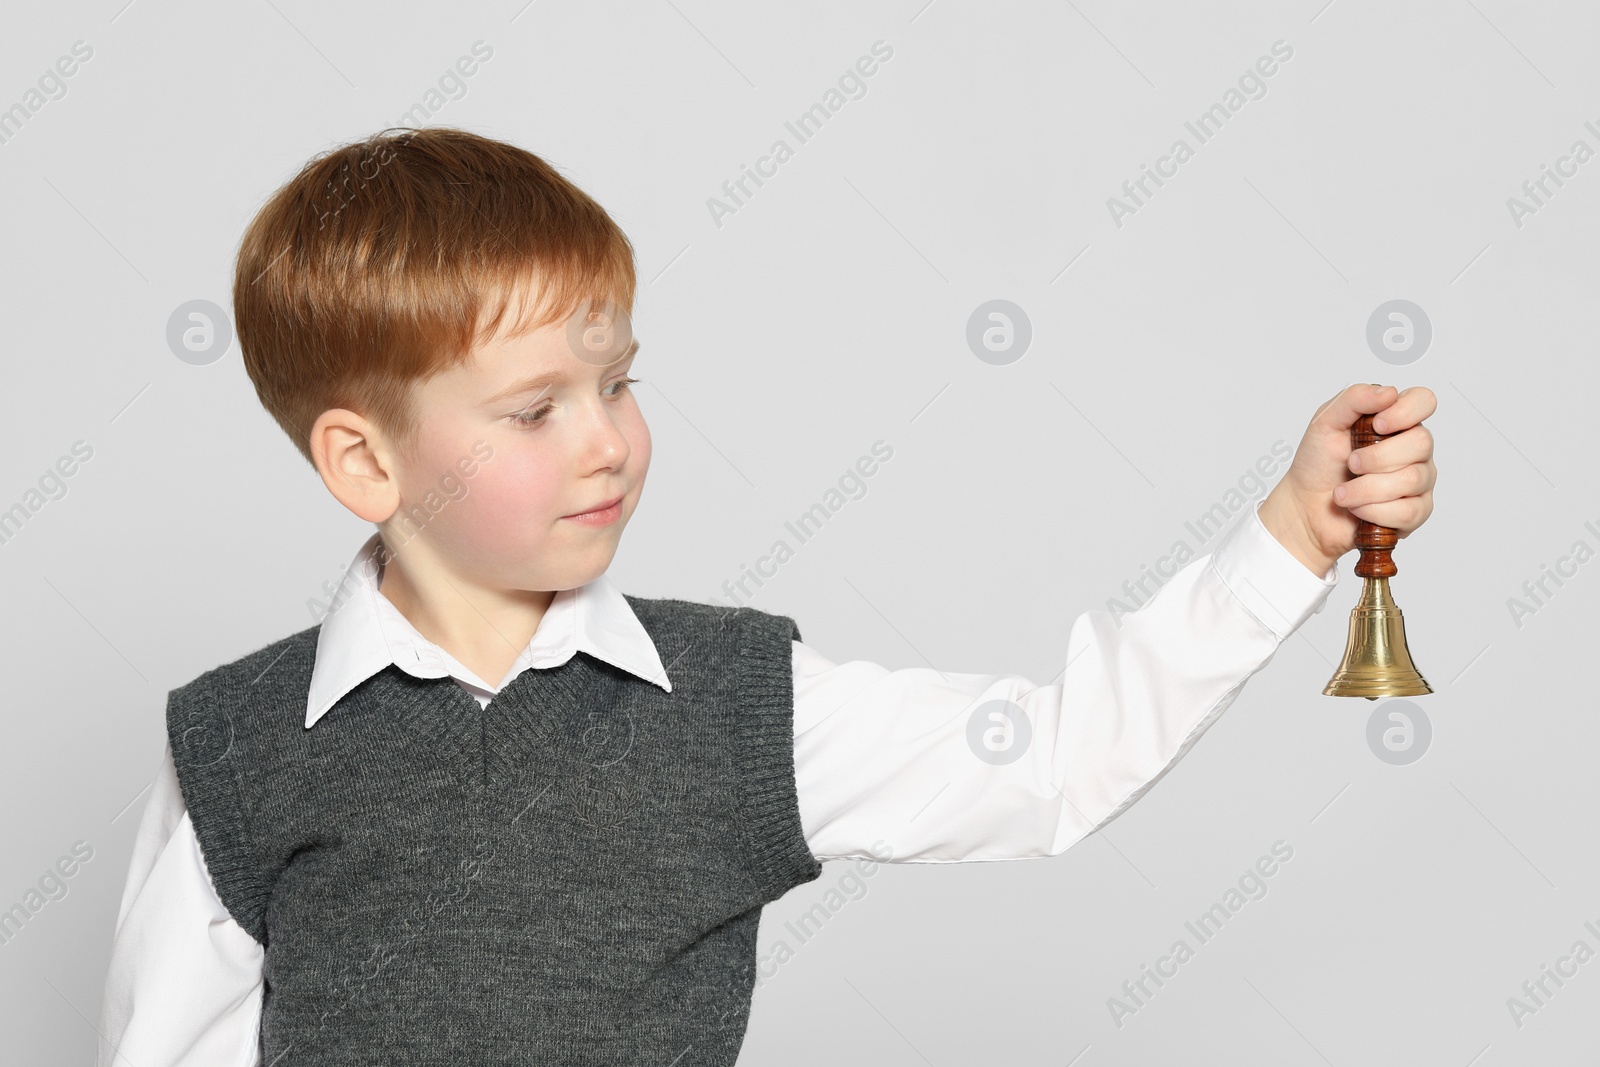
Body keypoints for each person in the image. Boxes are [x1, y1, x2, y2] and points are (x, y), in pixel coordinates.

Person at [95, 126, 1437, 1066]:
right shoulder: (233, 747)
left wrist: (1288, 539)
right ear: (365, 459)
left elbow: (1055, 760)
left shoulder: (737, 709)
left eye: (617, 383)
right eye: (534, 410)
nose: (606, 440)